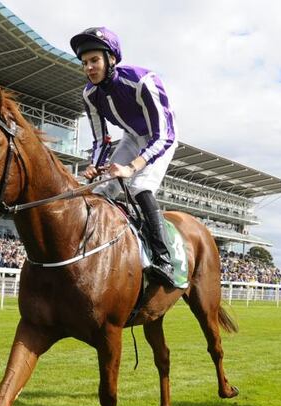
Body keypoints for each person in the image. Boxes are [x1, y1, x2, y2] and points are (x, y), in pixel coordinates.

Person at [70, 27, 178, 285]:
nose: (89, 68)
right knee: (98, 190)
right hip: (130, 137)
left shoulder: (143, 81)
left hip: (160, 137)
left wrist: (131, 167)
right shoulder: (90, 94)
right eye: (85, 63)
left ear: (112, 59)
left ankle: (164, 260)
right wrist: (94, 167)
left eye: (94, 60)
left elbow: (163, 136)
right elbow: (100, 139)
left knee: (140, 185)